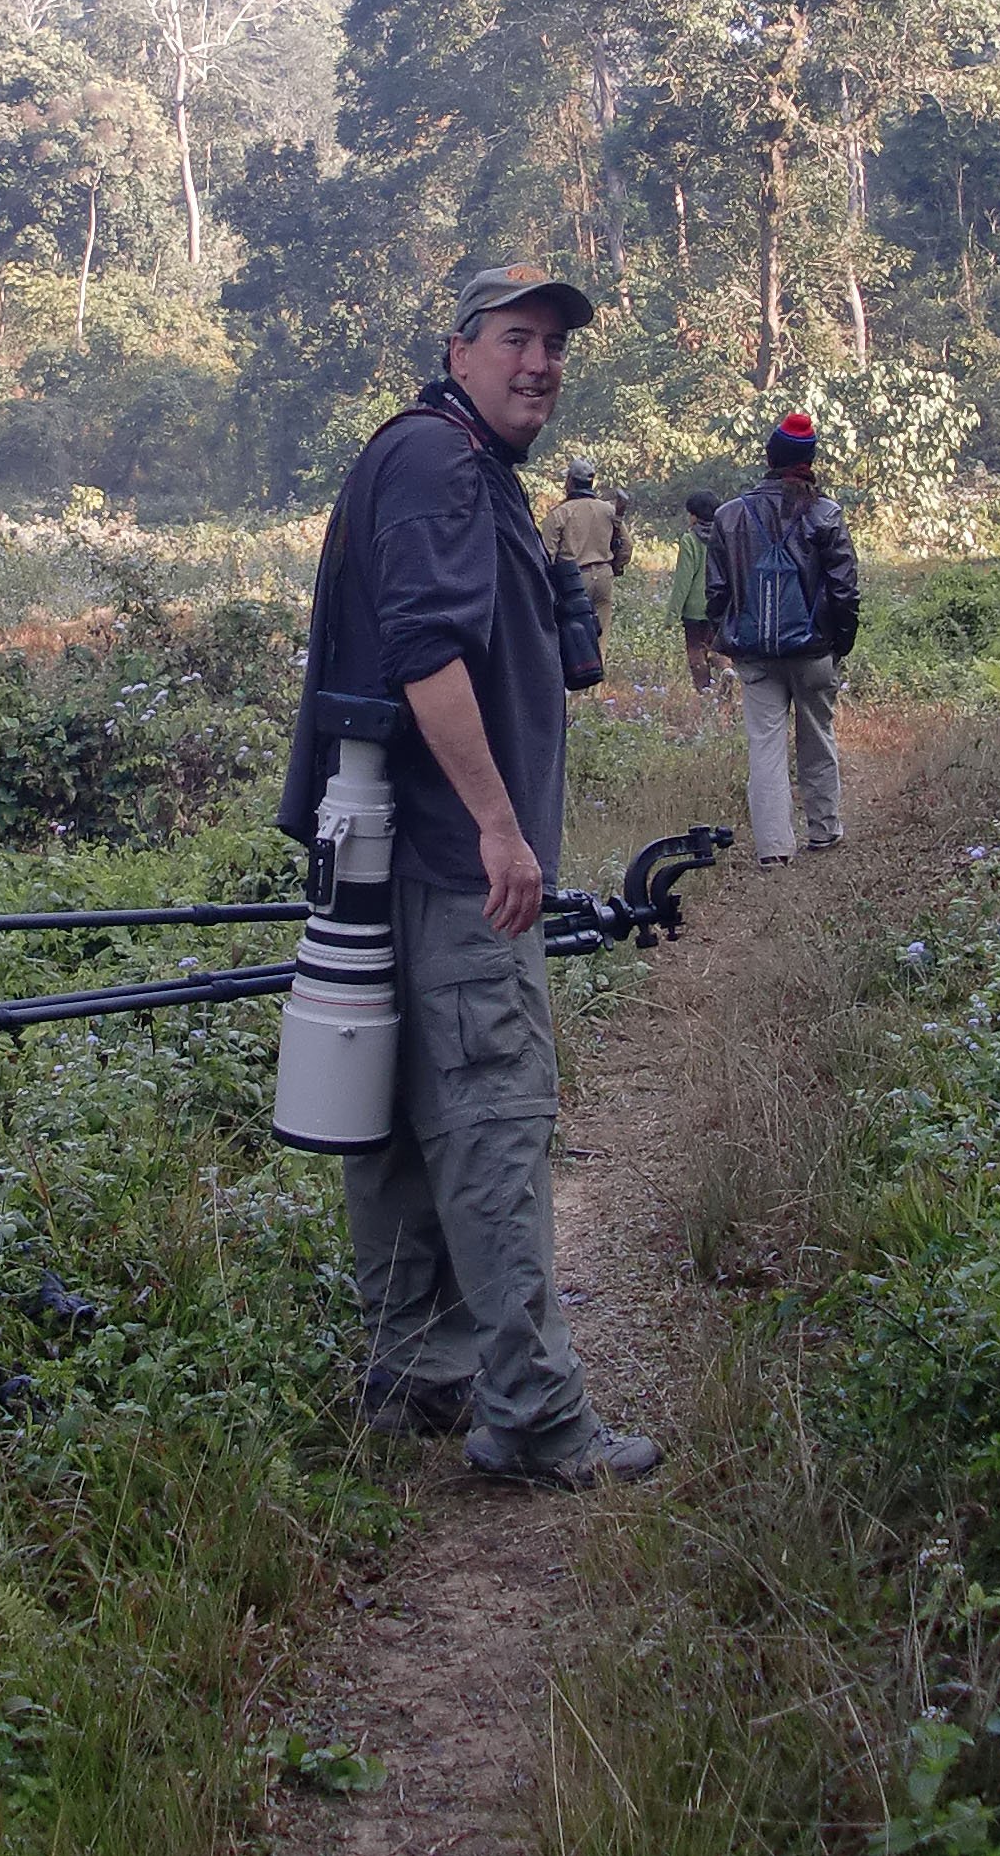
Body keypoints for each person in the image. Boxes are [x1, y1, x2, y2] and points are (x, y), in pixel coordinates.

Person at [278, 266, 663, 1490]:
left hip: (383, 848)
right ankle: (538, 1417)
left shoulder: (440, 456)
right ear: (460, 347)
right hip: (448, 855)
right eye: (517, 339)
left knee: (393, 1120)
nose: (540, 362)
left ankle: (419, 1370)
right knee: (493, 1113)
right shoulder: (443, 467)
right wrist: (503, 829)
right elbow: (427, 653)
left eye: (554, 345)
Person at [707, 411, 861, 870]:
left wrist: (730, 634)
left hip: (754, 652)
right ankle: (824, 828)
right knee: (817, 735)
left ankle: (774, 848)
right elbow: (844, 589)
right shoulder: (825, 513)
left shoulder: (729, 515)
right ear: (809, 461)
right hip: (814, 650)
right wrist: (841, 643)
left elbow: (716, 592)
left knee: (764, 745)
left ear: (769, 458)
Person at [541, 457, 630, 644]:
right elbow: (626, 546)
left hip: (573, 581)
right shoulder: (608, 510)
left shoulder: (560, 514)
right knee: (601, 641)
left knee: (575, 641)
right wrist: (616, 567)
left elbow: (547, 556)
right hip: (604, 576)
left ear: (570, 482)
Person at [670, 489, 721, 692]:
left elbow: (683, 580)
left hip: (694, 609)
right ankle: (726, 668)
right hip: (719, 603)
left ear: (694, 516)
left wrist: (673, 613)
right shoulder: (724, 537)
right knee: (717, 645)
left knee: (695, 651)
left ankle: (704, 690)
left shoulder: (689, 540)